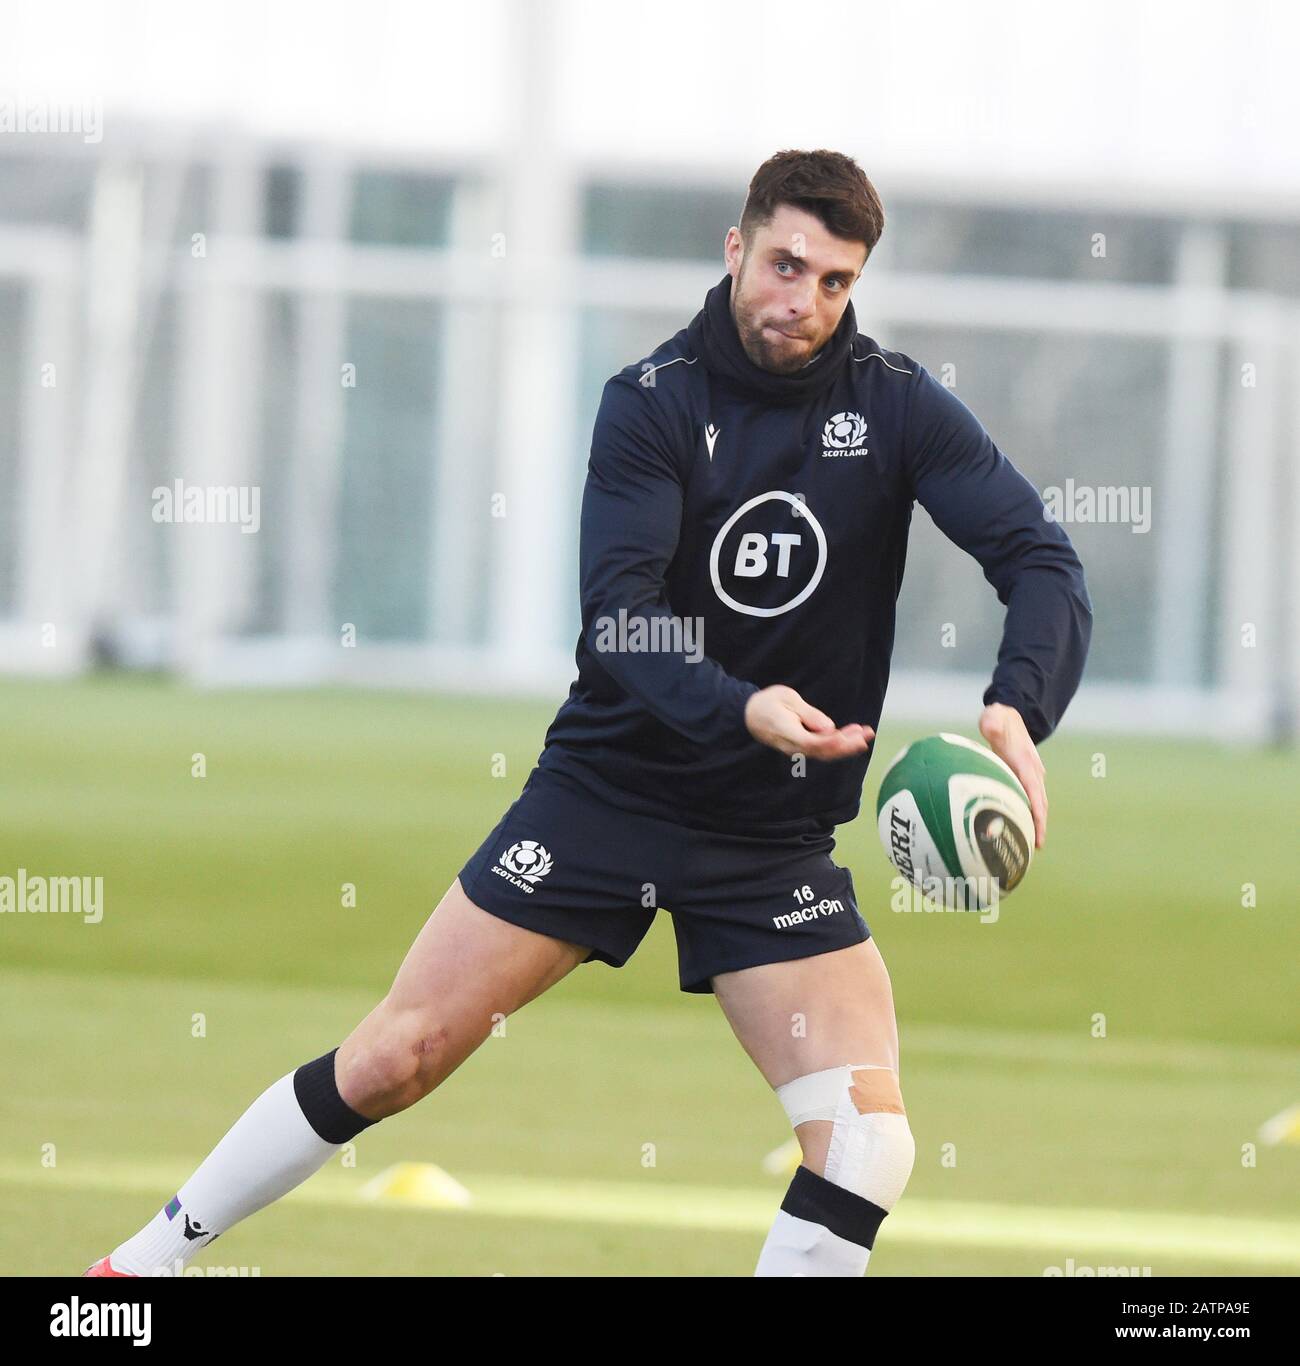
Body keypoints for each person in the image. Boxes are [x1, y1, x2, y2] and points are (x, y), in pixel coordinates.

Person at [87, 147, 1091, 1279]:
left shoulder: (897, 406)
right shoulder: (652, 403)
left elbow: (1037, 555)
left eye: (835, 282)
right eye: (785, 264)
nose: (802, 301)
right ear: (736, 246)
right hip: (608, 797)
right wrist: (743, 703)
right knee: (398, 1056)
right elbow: (622, 616)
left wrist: (1018, 706)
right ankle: (145, 1261)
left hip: (767, 841)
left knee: (870, 1143)